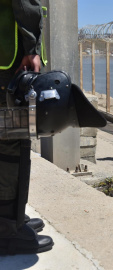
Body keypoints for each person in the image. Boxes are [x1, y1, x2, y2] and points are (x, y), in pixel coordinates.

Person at [0, 0, 53, 254]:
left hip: (7, 55)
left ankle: (14, 214)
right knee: (11, 142)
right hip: (10, 60)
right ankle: (7, 228)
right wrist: (31, 47)